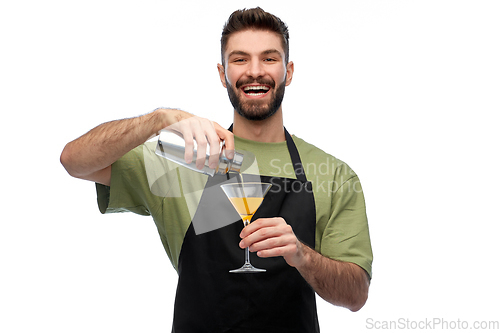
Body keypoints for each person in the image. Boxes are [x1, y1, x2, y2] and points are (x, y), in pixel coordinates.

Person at [61, 7, 373, 332]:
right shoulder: (183, 158)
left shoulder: (332, 174)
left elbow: (355, 295)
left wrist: (302, 255)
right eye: (240, 59)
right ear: (223, 74)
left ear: (288, 71)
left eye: (269, 58)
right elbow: (73, 160)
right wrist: (158, 120)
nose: (255, 71)